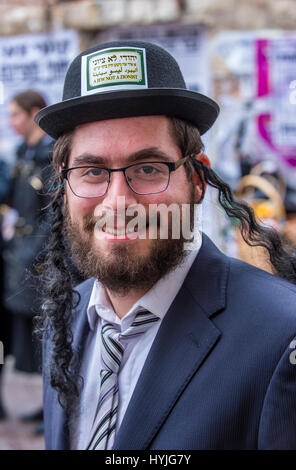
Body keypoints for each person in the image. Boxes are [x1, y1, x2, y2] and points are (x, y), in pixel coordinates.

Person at [34, 40, 296, 450]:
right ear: (63, 186)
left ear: (196, 181)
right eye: (91, 171)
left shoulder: (283, 337)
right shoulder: (63, 319)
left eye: (149, 168)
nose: (118, 202)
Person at [2, 90, 53, 429]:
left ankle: (55, 408)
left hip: (39, 260)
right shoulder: (22, 154)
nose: (10, 122)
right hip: (17, 256)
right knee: (19, 336)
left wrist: (36, 252)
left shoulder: (51, 155)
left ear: (35, 113)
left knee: (50, 337)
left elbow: (53, 214)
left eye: (16, 115)